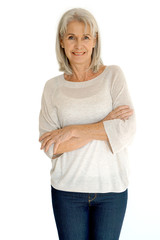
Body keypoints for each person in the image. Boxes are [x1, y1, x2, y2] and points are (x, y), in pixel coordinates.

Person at [38, 8, 136, 240]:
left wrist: (71, 131)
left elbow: (126, 131)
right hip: (67, 192)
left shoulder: (113, 75)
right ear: (62, 41)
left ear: (95, 41)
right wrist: (104, 125)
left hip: (111, 191)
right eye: (71, 37)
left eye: (85, 37)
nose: (78, 44)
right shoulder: (53, 87)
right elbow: (51, 147)